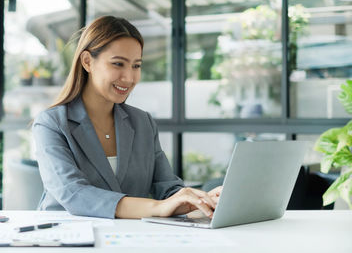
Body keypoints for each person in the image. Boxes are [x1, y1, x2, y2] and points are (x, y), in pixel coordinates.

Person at [32, 16, 222, 219]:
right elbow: (74, 194)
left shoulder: (143, 123)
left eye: (136, 66)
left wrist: (199, 201)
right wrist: (157, 208)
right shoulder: (51, 123)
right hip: (66, 238)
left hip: (126, 239)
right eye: (118, 64)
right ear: (87, 61)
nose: (129, 78)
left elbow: (167, 189)